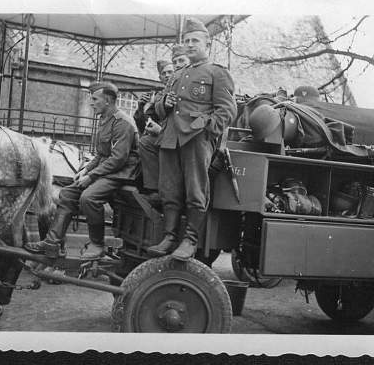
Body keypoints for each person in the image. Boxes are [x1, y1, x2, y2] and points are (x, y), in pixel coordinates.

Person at [147, 17, 237, 261]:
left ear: (207, 43)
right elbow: (158, 106)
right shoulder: (177, 75)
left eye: (195, 40)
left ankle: (190, 240)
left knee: (196, 191)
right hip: (169, 138)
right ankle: (169, 237)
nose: (189, 45)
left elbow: (227, 110)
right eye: (186, 41)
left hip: (196, 140)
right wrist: (162, 104)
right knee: (169, 189)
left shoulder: (216, 73)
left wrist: (207, 128)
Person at [25, 83, 140, 259]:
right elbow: (102, 155)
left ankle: (97, 244)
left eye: (94, 99)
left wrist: (91, 176)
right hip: (110, 169)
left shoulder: (122, 123)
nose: (91, 103)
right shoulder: (105, 120)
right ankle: (51, 242)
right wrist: (86, 170)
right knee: (68, 193)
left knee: (89, 197)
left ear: (108, 100)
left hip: (123, 173)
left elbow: (118, 159)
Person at [134, 60, 174, 196]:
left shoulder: (182, 93)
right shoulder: (159, 96)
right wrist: (141, 107)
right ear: (160, 78)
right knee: (142, 143)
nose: (167, 75)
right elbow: (145, 123)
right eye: (164, 73)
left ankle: (155, 190)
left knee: (145, 143)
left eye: (170, 72)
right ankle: (149, 189)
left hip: (178, 140)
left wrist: (160, 131)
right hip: (161, 139)